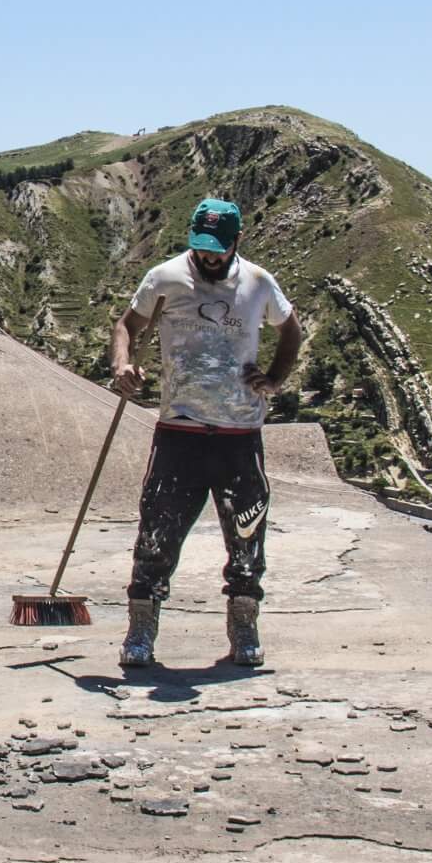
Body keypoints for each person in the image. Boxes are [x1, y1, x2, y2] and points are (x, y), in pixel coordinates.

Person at [108, 198, 302, 671]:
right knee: (156, 533)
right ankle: (141, 629)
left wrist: (275, 378)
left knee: (247, 535)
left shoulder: (259, 283)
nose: (208, 257)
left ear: (238, 241)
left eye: (218, 249)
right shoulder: (165, 277)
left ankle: (243, 626)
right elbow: (126, 326)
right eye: (201, 247)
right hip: (180, 431)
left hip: (239, 434)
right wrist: (122, 365)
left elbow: (292, 331)